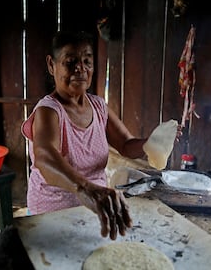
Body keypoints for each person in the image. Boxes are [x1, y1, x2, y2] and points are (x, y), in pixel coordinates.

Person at [21, 30, 178, 240]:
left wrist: (154, 143)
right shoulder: (49, 111)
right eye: (70, 62)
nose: (81, 69)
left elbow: (126, 144)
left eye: (87, 61)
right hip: (52, 216)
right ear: (52, 65)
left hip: (96, 210)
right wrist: (86, 189)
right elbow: (45, 156)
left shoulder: (98, 107)